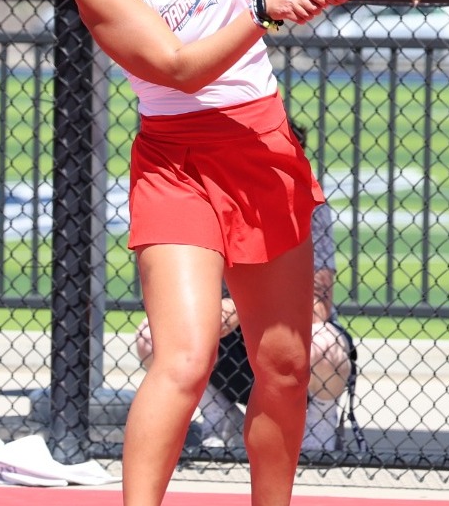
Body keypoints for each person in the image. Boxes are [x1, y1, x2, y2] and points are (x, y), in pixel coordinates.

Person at [68, 0, 367, 506]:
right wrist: (267, 13)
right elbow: (177, 67)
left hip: (265, 148)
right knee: (186, 356)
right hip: (178, 160)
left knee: (285, 363)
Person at [131, 123, 356, 456]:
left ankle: (320, 425)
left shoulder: (309, 206)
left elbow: (318, 307)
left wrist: (238, 307)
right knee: (153, 335)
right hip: (224, 343)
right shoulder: (205, 204)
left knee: (325, 345)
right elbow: (177, 300)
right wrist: (212, 314)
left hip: (289, 334)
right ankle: (219, 419)